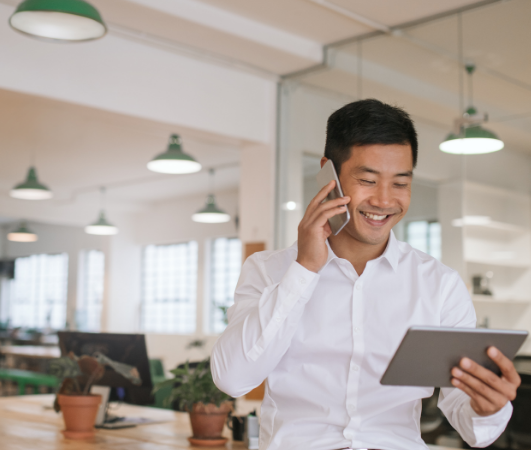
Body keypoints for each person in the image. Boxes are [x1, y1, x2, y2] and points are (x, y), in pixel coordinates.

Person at [211, 99, 520, 450]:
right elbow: (232, 379)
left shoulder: (440, 285)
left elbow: (472, 426)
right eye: (368, 180)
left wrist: (488, 407)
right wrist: (305, 269)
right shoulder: (268, 271)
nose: (385, 200)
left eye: (400, 183)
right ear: (329, 173)